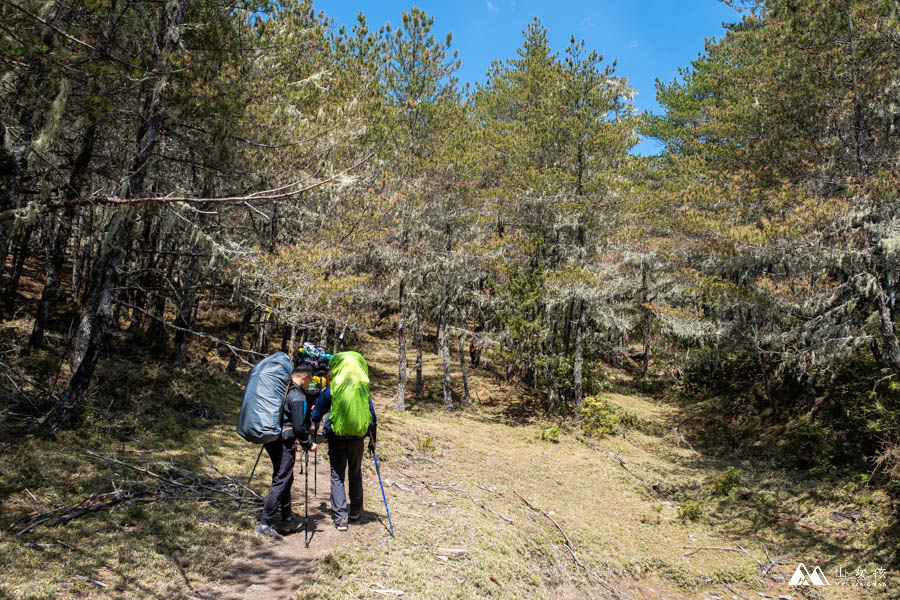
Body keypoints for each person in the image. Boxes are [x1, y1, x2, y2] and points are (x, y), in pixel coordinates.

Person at [255, 365, 316, 540]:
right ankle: (265, 523)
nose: (309, 383)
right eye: (310, 379)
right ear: (304, 376)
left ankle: (287, 518)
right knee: (282, 478)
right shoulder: (297, 396)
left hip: (272, 439)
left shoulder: (284, 389)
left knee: (285, 477)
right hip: (283, 442)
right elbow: (298, 426)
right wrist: (308, 443)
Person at [311, 385, 376, 531]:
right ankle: (355, 510)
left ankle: (340, 517)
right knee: (355, 472)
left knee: (337, 475)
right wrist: (373, 439)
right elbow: (371, 414)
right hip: (358, 438)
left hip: (336, 438)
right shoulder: (362, 388)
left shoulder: (332, 388)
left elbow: (316, 415)